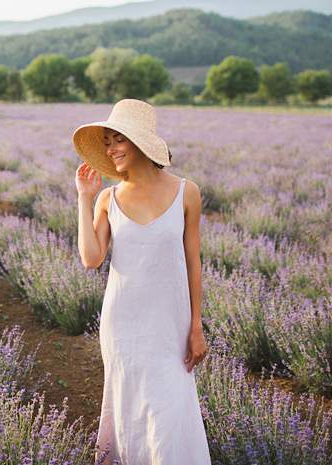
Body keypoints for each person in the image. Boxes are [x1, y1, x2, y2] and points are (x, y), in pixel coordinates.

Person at [73, 99, 211, 465]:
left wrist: (197, 325)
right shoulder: (108, 198)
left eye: (118, 139)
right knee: (130, 410)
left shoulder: (187, 192)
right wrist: (84, 201)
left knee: (168, 409)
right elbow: (91, 259)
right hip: (123, 324)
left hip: (170, 324)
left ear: (140, 143)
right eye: (107, 141)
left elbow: (193, 262)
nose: (111, 149)